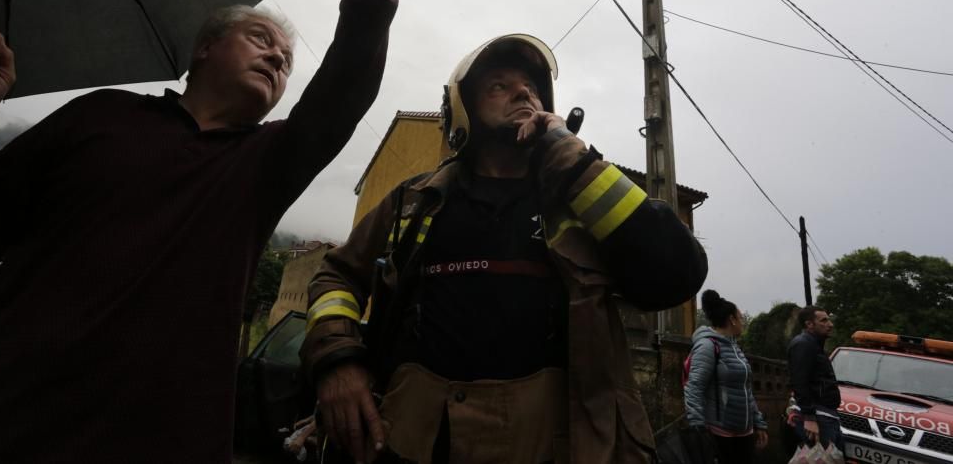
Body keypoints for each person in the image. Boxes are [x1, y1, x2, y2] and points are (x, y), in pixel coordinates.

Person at [0, 0, 409, 463]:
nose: (279, 59)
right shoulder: (99, 116)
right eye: (261, 39)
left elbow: (343, 90)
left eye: (285, 59)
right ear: (204, 47)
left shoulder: (261, 165)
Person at [302, 34, 709, 463]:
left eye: (531, 88)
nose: (523, 92)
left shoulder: (578, 195)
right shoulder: (414, 202)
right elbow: (336, 276)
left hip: (556, 445)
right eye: (499, 85)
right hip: (411, 442)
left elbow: (676, 273)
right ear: (461, 110)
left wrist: (569, 158)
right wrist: (338, 362)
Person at [684, 289, 768, 463]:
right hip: (720, 434)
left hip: (744, 432)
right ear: (732, 319)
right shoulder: (708, 346)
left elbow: (746, 390)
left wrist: (758, 422)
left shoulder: (736, 348)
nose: (742, 321)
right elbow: (694, 387)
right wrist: (698, 427)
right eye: (740, 316)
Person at [787, 305, 842, 451]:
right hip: (818, 417)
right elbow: (799, 382)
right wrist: (810, 418)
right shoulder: (803, 344)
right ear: (809, 324)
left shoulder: (814, 345)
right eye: (824, 320)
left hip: (827, 416)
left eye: (829, 320)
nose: (830, 325)